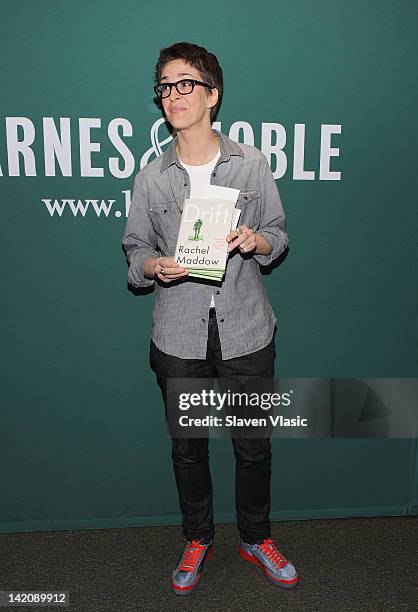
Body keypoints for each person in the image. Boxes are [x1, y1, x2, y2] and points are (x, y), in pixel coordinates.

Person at [122, 41, 299, 594]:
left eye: (185, 84)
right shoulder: (152, 178)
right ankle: (197, 536)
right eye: (165, 86)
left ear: (212, 95)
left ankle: (255, 536)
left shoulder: (250, 163)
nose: (173, 95)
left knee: (254, 445)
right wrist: (152, 264)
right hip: (179, 335)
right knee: (188, 448)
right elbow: (133, 250)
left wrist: (256, 240)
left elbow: (279, 234)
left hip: (246, 328)